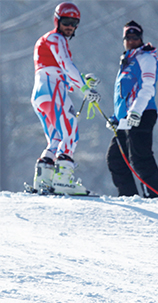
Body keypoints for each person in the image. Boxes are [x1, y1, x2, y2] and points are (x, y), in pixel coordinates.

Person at [31, 2, 101, 195]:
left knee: (56, 137)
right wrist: (85, 88)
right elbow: (66, 65)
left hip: (41, 92)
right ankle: (63, 180)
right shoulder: (55, 38)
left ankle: (43, 179)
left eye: (74, 22)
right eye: (66, 21)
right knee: (71, 133)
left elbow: (61, 72)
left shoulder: (48, 40)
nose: (70, 26)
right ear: (57, 20)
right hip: (52, 89)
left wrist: (80, 84)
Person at [106, 21, 158, 199]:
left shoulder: (146, 58)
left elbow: (148, 87)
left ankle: (155, 197)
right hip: (126, 118)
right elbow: (123, 94)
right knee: (116, 159)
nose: (132, 41)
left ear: (141, 38)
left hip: (143, 113)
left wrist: (136, 111)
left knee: (140, 157)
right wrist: (117, 117)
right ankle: (129, 196)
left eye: (135, 37)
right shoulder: (127, 60)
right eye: (128, 38)